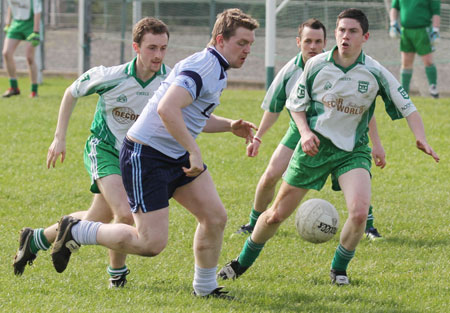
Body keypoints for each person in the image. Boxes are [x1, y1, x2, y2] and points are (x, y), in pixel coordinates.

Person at [219, 8, 439, 286]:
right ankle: (241, 262)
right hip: (314, 150)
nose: (345, 36)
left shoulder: (374, 71)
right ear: (335, 34)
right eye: (341, 30)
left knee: (359, 213)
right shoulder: (316, 65)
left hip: (352, 152)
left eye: (352, 31)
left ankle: (339, 270)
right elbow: (296, 106)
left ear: (365, 37)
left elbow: (408, 107)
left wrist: (421, 137)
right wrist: (305, 132)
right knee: (274, 215)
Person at [50, 8, 259, 298]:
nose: (247, 50)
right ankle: (76, 231)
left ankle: (205, 287)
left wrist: (229, 125)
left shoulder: (216, 67)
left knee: (214, 217)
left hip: (172, 154)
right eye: (242, 43)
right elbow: (167, 109)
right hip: (146, 155)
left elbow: (187, 114)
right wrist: (193, 150)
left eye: (250, 44)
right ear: (220, 40)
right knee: (150, 244)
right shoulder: (205, 67)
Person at [12, 17, 171, 288]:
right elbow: (70, 92)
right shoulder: (111, 76)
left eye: (163, 48)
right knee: (123, 211)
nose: (158, 55)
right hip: (105, 149)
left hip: (135, 158)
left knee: (97, 218)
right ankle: (117, 276)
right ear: (136, 47)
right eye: (151, 48)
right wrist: (59, 137)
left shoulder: (169, 80)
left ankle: (35, 238)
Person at [234, 18, 383, 241]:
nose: (313, 47)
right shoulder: (289, 71)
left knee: (352, 177)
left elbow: (362, 112)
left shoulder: (339, 68)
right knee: (270, 175)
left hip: (336, 133)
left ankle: (369, 227)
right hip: (300, 131)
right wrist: (258, 137)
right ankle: (254, 223)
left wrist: (376, 143)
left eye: (318, 41)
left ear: (326, 42)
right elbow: (274, 109)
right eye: (308, 41)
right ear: (298, 42)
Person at [389, 0, 441, 98]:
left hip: (423, 31)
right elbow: (394, 7)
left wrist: (435, 30)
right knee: (406, 63)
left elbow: (436, 12)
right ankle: (404, 93)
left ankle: (433, 89)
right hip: (406, 31)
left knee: (428, 61)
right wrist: (393, 23)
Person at [2, 0, 42, 98]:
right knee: (6, 53)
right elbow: (10, 6)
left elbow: (37, 12)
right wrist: (8, 24)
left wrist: (36, 32)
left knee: (29, 58)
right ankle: (14, 88)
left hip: (31, 25)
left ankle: (34, 91)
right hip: (16, 24)